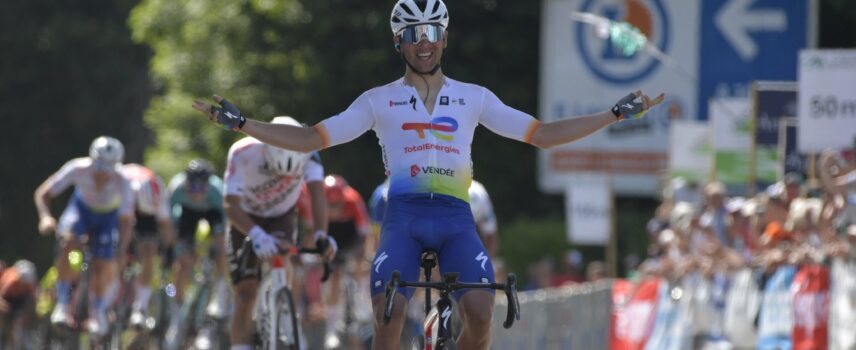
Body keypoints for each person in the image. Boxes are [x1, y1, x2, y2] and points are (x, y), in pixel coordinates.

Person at [191, 0, 664, 347]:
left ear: (444, 38)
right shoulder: (379, 100)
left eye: (432, 31)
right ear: (399, 41)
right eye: (413, 33)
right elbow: (313, 138)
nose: (423, 42)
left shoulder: (474, 96)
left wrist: (613, 115)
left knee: (480, 314)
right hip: (405, 218)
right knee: (389, 316)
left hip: (456, 219)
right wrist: (243, 124)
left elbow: (542, 134)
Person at [221, 116, 335, 350]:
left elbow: (317, 195)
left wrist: (322, 235)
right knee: (245, 293)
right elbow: (230, 206)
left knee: (284, 253)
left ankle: (285, 312)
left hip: (281, 216)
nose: (280, 180)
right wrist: (256, 234)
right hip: (245, 216)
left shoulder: (309, 153)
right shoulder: (243, 151)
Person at [33, 136, 134, 336]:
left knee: (102, 263)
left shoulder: (123, 182)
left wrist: (122, 248)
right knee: (69, 244)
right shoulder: (77, 168)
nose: (101, 175)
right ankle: (62, 302)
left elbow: (126, 220)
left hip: (107, 219)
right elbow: (43, 193)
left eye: (108, 169)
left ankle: (97, 310)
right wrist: (45, 217)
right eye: (99, 167)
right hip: (80, 212)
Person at [167, 158, 230, 319]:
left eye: (201, 187)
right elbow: (168, 222)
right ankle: (176, 303)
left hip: (212, 213)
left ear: (208, 184)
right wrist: (177, 247)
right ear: (186, 182)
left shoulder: (218, 191)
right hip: (187, 214)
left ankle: (219, 294)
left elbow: (225, 221)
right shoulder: (177, 187)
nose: (196, 193)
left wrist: (219, 246)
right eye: (192, 187)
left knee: (222, 250)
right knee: (183, 262)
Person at [120, 163, 176, 327]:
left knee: (149, 251)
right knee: (117, 250)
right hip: (122, 208)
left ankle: (141, 307)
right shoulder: (126, 188)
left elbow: (166, 226)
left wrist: (169, 251)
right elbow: (125, 223)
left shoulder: (158, 190)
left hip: (147, 218)